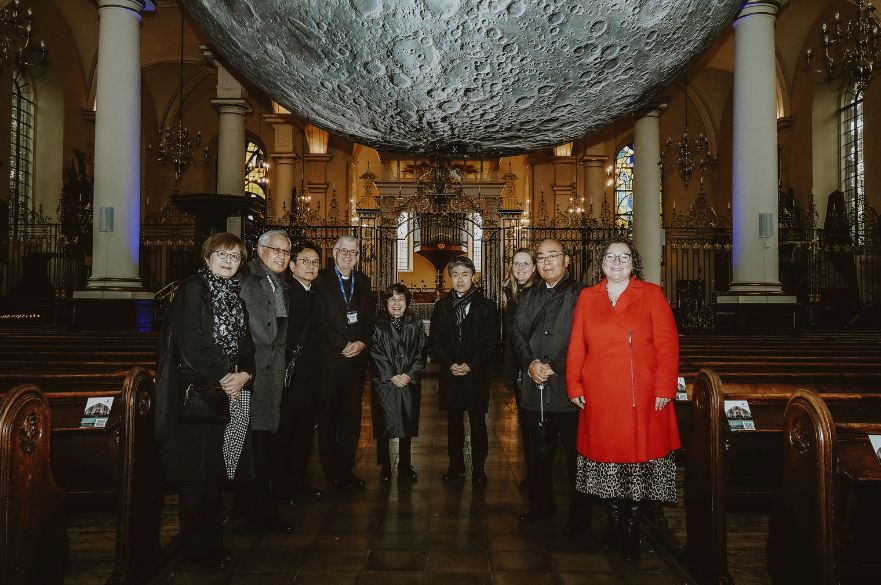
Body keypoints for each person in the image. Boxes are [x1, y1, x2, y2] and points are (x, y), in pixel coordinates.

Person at [566, 237, 680, 561]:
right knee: (608, 464)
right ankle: (614, 521)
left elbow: (667, 346)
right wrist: (574, 384)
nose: (617, 262)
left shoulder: (651, 295)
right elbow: (577, 345)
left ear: (633, 262)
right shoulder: (588, 298)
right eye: (610, 257)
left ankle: (631, 528)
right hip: (600, 394)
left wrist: (663, 389)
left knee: (637, 464)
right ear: (601, 263)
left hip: (641, 395)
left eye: (624, 256)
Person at [155, 232, 255, 568]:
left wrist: (246, 374)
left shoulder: (234, 296)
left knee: (214, 475)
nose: (228, 261)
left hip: (227, 396)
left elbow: (247, 344)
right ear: (207, 257)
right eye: (222, 254)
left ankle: (212, 543)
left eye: (235, 256)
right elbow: (189, 338)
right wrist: (222, 375)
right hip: (198, 395)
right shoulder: (194, 287)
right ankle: (196, 551)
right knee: (196, 477)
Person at [511, 239, 592, 532]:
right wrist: (530, 364)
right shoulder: (528, 294)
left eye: (552, 256)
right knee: (536, 453)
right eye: (541, 257)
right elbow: (517, 332)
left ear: (567, 260)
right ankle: (541, 506)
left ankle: (581, 515)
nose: (546, 263)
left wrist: (556, 367)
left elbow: (586, 339)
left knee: (575, 456)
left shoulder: (583, 294)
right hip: (534, 388)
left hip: (568, 389)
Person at [237, 229, 292, 533]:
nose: (281, 256)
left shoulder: (278, 284)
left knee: (261, 441)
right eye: (276, 250)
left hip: (271, 372)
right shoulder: (248, 279)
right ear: (260, 251)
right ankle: (262, 511)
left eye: (286, 252)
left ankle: (249, 504)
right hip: (253, 372)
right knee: (256, 443)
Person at [314, 235, 376, 488]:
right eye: (344, 251)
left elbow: (369, 318)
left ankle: (346, 468)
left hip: (355, 362)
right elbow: (319, 320)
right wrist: (342, 345)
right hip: (331, 360)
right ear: (334, 252)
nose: (348, 256)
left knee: (351, 418)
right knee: (328, 418)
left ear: (359, 256)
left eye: (354, 252)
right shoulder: (321, 280)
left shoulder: (363, 281)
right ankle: (331, 470)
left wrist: (362, 342)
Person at [430, 256, 498, 485]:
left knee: (478, 423)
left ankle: (479, 468)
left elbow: (491, 343)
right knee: (454, 424)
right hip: (451, 374)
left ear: (473, 276)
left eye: (465, 274)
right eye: (456, 275)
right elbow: (435, 341)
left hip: (476, 375)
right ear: (450, 277)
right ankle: (455, 465)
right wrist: (450, 363)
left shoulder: (487, 306)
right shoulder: (442, 306)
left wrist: (471, 364)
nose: (460, 280)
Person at [274, 240, 323, 504]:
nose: (311, 266)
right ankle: (283, 488)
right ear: (292, 265)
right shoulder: (287, 292)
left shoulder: (314, 292)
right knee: (287, 434)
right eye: (305, 261)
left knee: (304, 434)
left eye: (315, 262)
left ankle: (299, 481)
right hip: (290, 377)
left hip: (310, 376)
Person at [370, 283, 426, 481]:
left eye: (400, 299)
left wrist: (409, 374)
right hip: (385, 382)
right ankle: (385, 466)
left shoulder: (416, 324)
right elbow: (375, 352)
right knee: (385, 424)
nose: (396, 303)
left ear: (407, 302)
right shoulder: (377, 324)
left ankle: (404, 465)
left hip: (408, 382)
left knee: (406, 422)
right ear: (386, 302)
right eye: (392, 299)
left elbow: (421, 352)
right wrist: (392, 374)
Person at [501, 247, 537, 490]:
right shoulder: (512, 294)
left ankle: (537, 476)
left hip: (534, 367)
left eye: (525, 264)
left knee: (536, 426)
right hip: (518, 367)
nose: (520, 268)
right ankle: (533, 474)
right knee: (526, 424)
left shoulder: (537, 293)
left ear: (534, 267)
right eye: (516, 264)